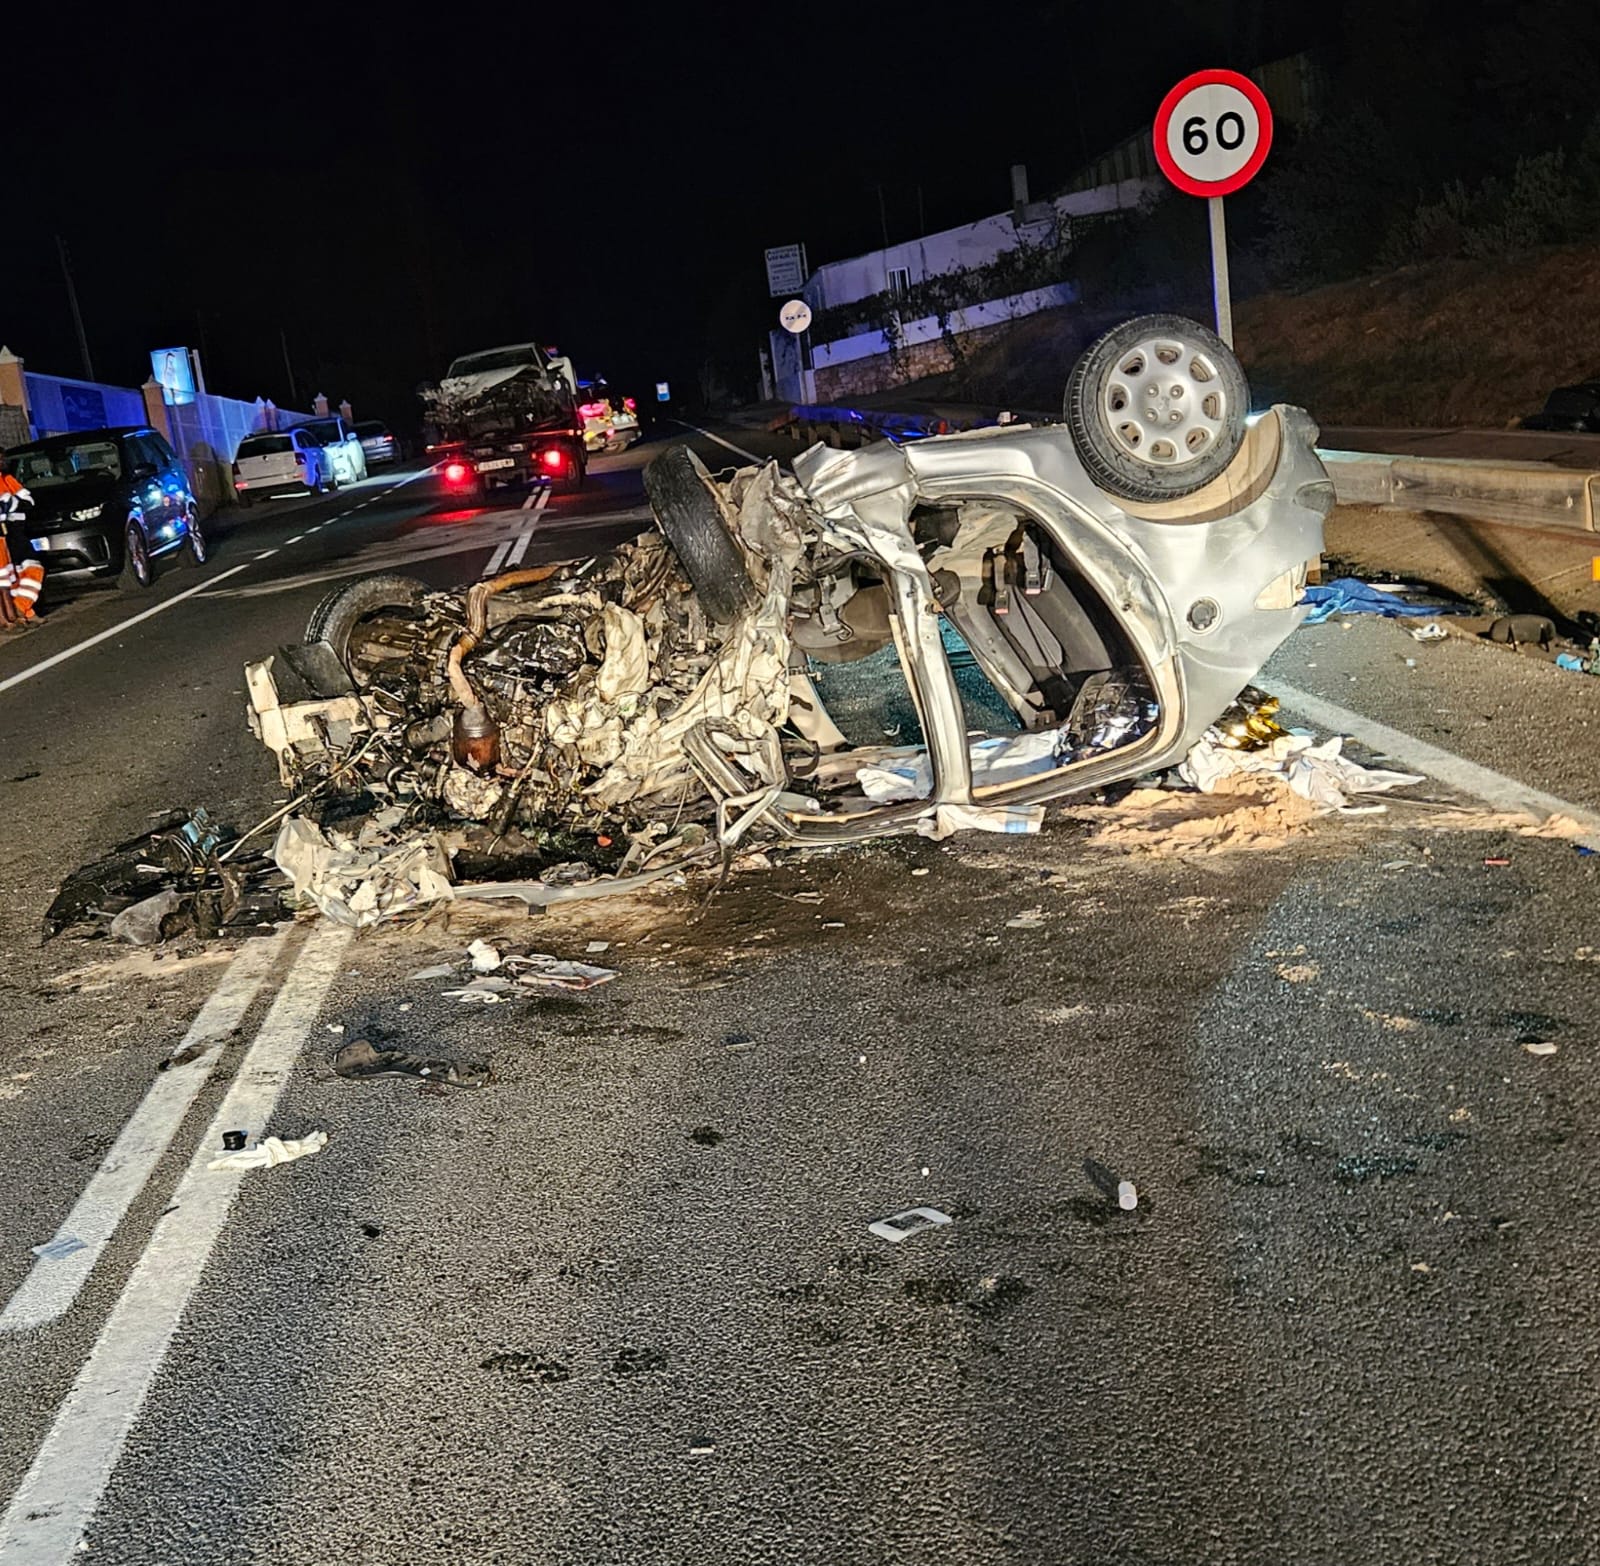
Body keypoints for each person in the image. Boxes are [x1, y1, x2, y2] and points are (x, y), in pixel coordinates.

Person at [0, 464, 43, 628]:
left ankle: (22, 609)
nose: (2, 462)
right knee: (12, 576)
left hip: (15, 532)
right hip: (7, 534)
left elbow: (28, 501)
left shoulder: (7, 479)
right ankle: (21, 611)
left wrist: (11, 501)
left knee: (27, 570)